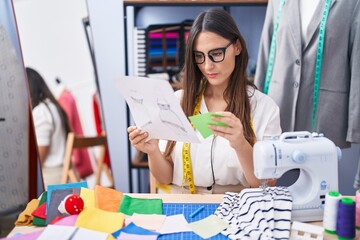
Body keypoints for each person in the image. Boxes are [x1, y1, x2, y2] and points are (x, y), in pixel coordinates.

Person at [128, 8, 282, 194]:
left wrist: (241, 144)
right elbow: (165, 177)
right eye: (199, 56)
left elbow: (266, 185)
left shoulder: (265, 108)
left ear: (237, 47)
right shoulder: (177, 102)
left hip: (238, 207)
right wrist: (152, 151)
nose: (208, 66)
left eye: (216, 53)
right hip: (183, 205)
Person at [255, 0, 360, 149]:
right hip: (279, 104)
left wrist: (355, 125)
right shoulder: (278, 1)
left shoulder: (351, 3)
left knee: (322, 170)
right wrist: (254, 108)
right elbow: (266, 50)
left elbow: (357, 63)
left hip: (326, 112)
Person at [26, 67, 71, 188]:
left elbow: (39, 158)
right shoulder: (53, 106)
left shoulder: (40, 112)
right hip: (66, 175)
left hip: (52, 180)